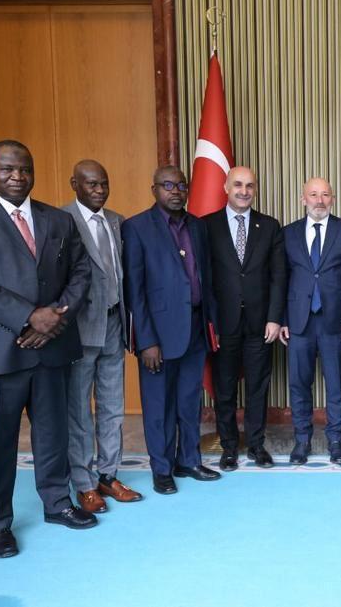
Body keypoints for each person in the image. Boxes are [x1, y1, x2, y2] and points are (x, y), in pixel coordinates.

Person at [0, 140, 95, 558]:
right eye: (8, 169)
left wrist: (54, 318)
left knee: (53, 435)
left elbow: (81, 272)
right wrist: (30, 316)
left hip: (52, 347)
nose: (17, 176)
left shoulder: (58, 220)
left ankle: (57, 503)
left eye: (25, 169)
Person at [122, 165, 220, 494]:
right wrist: (146, 340)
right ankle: (161, 468)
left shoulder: (198, 226)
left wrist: (210, 325)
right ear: (154, 190)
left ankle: (188, 460)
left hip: (195, 328)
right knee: (159, 406)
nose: (175, 191)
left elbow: (205, 278)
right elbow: (135, 290)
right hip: (158, 336)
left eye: (181, 185)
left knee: (189, 401)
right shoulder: (137, 227)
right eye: (168, 185)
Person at [62, 160, 143, 513]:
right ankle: (83, 483)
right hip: (79, 330)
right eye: (91, 184)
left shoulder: (117, 221)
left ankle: (108, 475)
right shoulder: (62, 220)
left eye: (103, 184)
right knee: (79, 411)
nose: (99, 190)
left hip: (113, 324)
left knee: (112, 406)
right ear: (75, 184)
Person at [203, 166, 286, 470]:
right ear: (226, 187)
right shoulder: (206, 226)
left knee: (257, 388)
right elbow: (204, 279)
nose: (244, 191)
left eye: (250, 186)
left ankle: (256, 445)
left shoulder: (270, 226)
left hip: (260, 323)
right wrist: (209, 321)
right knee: (224, 389)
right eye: (238, 185)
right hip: (222, 324)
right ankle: (228, 447)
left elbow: (279, 277)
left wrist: (275, 318)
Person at [279, 178, 341, 464]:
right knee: (299, 384)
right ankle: (302, 440)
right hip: (299, 322)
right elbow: (280, 279)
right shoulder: (288, 233)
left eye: (325, 195)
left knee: (336, 384)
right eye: (313, 195)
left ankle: (336, 440)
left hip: (335, 323)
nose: (319, 200)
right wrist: (282, 319)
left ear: (333, 199)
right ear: (303, 199)